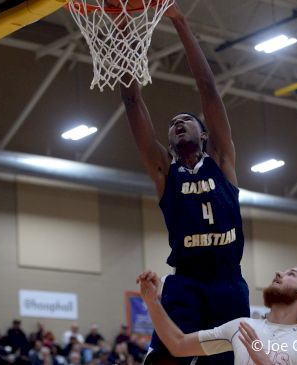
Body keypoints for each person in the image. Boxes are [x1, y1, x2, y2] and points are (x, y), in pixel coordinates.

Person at [119, 3, 249, 364]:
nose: (178, 124)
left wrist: (179, 21)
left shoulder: (222, 162)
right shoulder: (165, 173)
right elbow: (132, 100)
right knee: (164, 359)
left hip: (229, 283)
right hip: (186, 282)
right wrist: (126, 31)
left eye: (186, 121)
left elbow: (208, 89)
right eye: (172, 124)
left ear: (204, 134)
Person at [137, 267, 297, 365]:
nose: (279, 273)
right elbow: (178, 344)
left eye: (291, 274)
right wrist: (152, 301)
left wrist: (264, 361)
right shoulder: (241, 326)